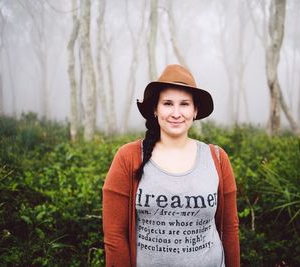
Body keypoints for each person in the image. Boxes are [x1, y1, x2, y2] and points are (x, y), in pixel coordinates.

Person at [102, 64, 240, 267]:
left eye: (184, 104)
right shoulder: (128, 157)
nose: (176, 113)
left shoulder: (217, 158)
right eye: (167, 103)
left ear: (195, 111)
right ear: (155, 110)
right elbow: (115, 235)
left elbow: (229, 229)